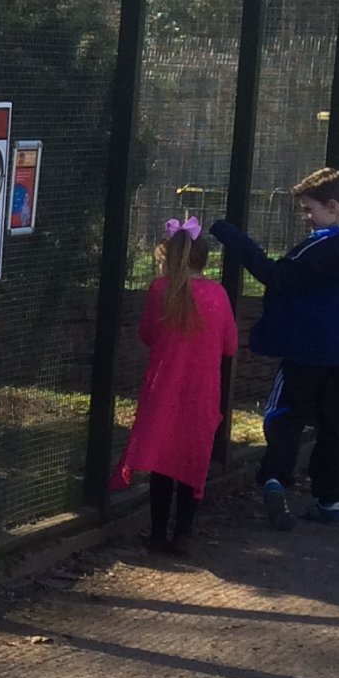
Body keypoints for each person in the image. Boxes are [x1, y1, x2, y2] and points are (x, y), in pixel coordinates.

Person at [211, 166, 339, 529]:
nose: (307, 220)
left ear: (334, 207)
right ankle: (330, 498)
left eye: (310, 210)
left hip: (307, 346)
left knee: (286, 412)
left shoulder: (324, 244)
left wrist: (233, 238)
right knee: (336, 421)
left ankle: (275, 478)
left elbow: (279, 276)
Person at [115, 218, 238, 557]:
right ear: (204, 258)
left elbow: (146, 335)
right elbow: (229, 345)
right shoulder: (218, 294)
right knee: (191, 459)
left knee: (161, 462)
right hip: (202, 391)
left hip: (164, 390)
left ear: (167, 256)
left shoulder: (160, 290)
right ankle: (183, 535)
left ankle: (156, 535)